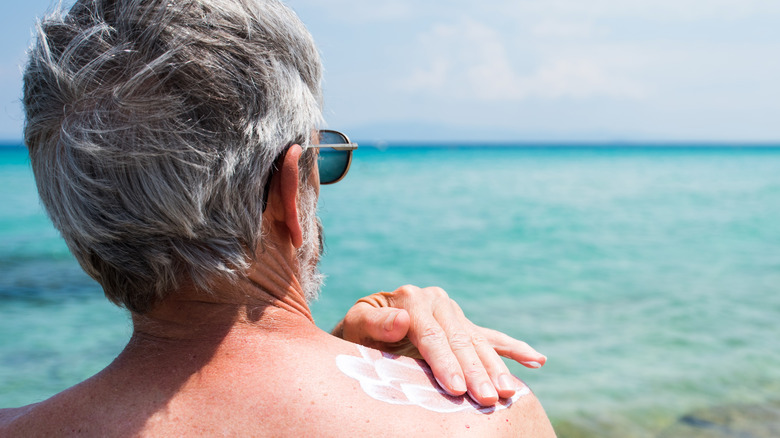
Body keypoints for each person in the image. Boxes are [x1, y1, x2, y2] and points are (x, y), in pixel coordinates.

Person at [1, 0, 555, 436]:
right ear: (290, 189)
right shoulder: (487, 421)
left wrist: (343, 347)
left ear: (73, 211)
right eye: (322, 159)